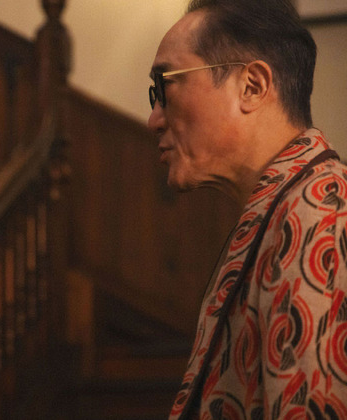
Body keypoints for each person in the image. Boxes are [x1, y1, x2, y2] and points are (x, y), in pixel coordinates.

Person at [147, 0, 347, 418]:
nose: (154, 119)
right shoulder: (283, 207)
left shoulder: (317, 210)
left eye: (165, 87)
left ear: (252, 86)